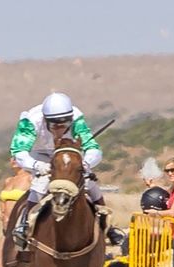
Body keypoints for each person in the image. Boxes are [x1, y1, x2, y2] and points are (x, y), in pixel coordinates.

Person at [6, 92, 103, 257]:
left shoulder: (77, 119)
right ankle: (24, 224)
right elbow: (19, 151)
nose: (59, 128)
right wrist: (37, 166)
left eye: (64, 123)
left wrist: (85, 164)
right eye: (54, 125)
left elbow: (93, 147)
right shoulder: (30, 121)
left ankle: (105, 224)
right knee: (41, 183)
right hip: (39, 154)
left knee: (90, 182)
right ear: (45, 120)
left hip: (68, 153)